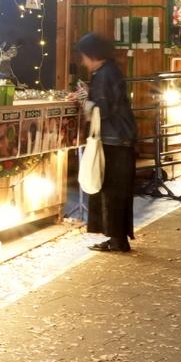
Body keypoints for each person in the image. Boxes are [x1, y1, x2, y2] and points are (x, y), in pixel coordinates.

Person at [72, 33, 137, 253]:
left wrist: (84, 102)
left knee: (111, 190)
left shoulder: (104, 74)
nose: (83, 62)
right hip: (120, 138)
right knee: (117, 191)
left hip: (113, 140)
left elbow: (102, 110)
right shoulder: (110, 71)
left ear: (92, 55)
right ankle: (118, 238)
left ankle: (117, 240)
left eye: (84, 57)